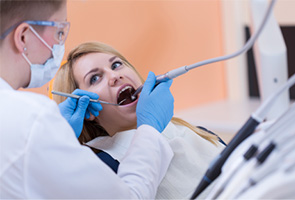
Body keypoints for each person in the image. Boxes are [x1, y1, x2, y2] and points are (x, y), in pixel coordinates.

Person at [0, 1, 175, 199]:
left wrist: (56, 133)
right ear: (24, 37)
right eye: (59, 32)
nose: (114, 76)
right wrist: (150, 129)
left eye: (116, 65)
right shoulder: (32, 120)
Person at [52, 41, 226, 199]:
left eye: (116, 64)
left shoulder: (198, 132)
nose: (114, 76)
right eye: (95, 78)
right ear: (87, 110)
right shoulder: (104, 168)